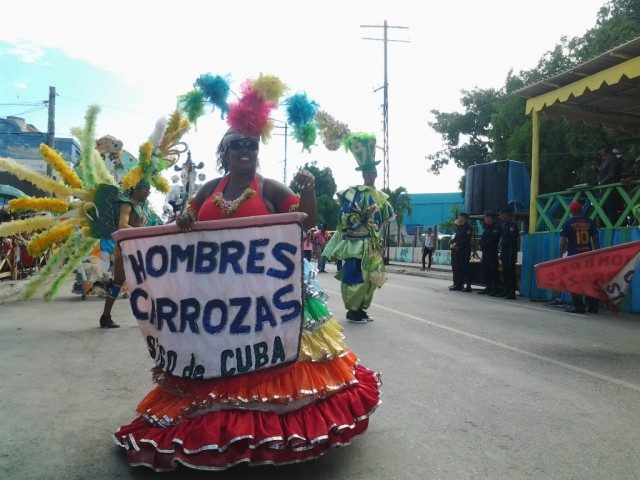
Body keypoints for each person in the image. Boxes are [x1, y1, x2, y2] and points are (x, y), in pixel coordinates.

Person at [114, 126, 381, 470]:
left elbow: (306, 218)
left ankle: (265, 433)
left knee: (272, 364)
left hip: (266, 301)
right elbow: (186, 220)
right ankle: (217, 430)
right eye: (236, 145)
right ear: (224, 152)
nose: (245, 150)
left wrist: (309, 190)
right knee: (215, 359)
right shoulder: (210, 188)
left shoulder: (269, 188)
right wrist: (183, 219)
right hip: (214, 300)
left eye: (251, 145)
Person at [322, 132, 394, 324]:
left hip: (371, 245)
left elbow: (384, 219)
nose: (370, 176)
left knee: (370, 278)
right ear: (363, 175)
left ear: (375, 175)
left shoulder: (380, 197)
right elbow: (345, 217)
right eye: (367, 173)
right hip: (356, 243)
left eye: (372, 174)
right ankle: (352, 311)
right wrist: (358, 219)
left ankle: (361, 309)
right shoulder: (353, 193)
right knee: (355, 276)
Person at [98, 181, 153, 328]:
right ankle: (105, 317)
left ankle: (148, 316)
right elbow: (122, 225)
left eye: (149, 191)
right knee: (118, 282)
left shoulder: (140, 207)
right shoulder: (127, 205)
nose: (148, 193)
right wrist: (142, 232)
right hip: (124, 249)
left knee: (145, 281)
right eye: (146, 190)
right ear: (136, 190)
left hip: (137, 248)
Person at [559, 201, 600, 314]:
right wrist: (597, 253)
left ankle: (578, 306)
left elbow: (562, 242)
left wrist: (560, 256)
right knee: (589, 281)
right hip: (588, 257)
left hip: (574, 258)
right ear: (581, 210)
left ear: (571, 212)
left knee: (574, 281)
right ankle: (592, 307)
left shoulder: (568, 223)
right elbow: (595, 238)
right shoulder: (589, 222)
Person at [478, 211, 501, 296]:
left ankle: (495, 289)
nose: (485, 220)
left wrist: (485, 244)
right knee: (486, 270)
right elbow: (483, 238)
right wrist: (481, 245)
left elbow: (493, 240)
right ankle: (488, 287)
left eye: (486, 218)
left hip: (492, 252)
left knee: (493, 271)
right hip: (485, 252)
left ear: (490, 218)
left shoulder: (496, 228)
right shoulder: (487, 228)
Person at [498, 206, 519, 300]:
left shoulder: (512, 225)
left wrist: (503, 243)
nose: (501, 216)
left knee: (510, 272)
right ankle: (506, 290)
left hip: (510, 251)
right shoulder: (505, 225)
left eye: (502, 214)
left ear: (507, 214)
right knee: (505, 271)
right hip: (505, 251)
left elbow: (512, 239)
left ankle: (511, 292)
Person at [449, 212, 473, 292]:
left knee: (465, 268)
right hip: (457, 251)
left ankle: (468, 286)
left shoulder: (468, 227)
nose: (459, 218)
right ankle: (459, 285)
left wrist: (458, 245)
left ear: (464, 218)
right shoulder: (460, 227)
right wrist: (453, 242)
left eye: (460, 217)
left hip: (464, 250)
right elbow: (457, 237)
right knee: (458, 268)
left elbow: (466, 239)